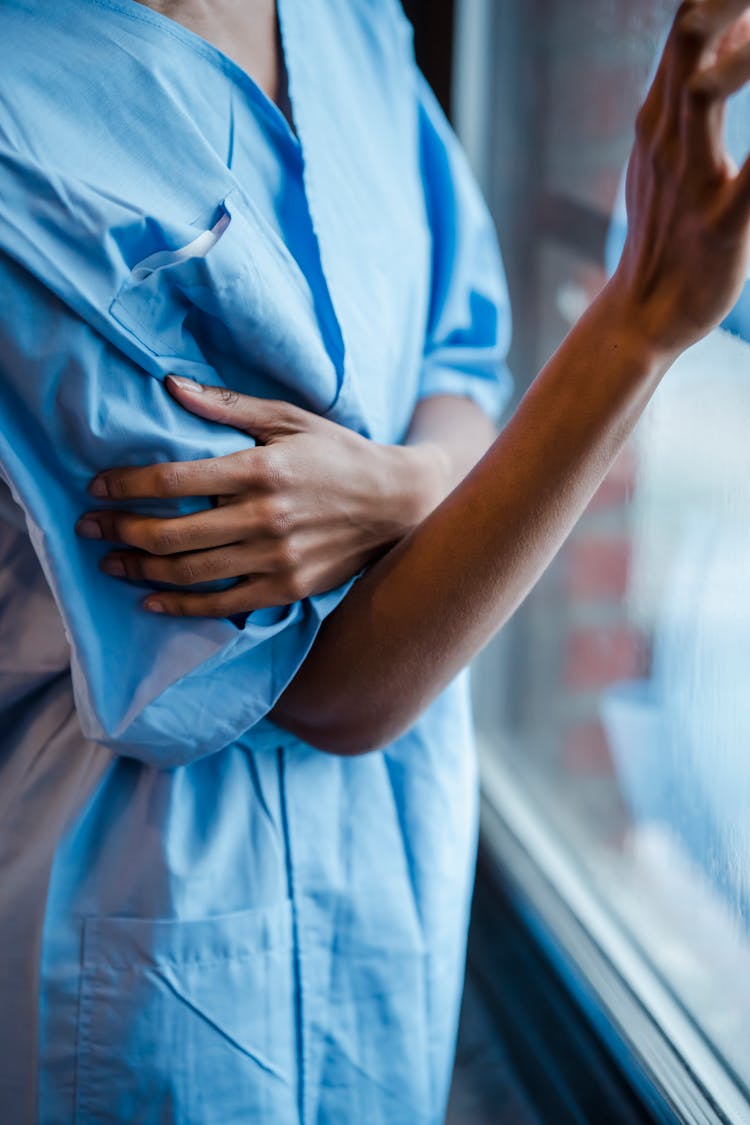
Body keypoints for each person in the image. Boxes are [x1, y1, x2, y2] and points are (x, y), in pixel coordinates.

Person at [0, 1, 747, 1123]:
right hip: (150, 965)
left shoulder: (353, 29)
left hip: (390, 905)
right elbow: (339, 687)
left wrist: (402, 484)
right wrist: (639, 322)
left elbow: (462, 367)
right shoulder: (24, 125)